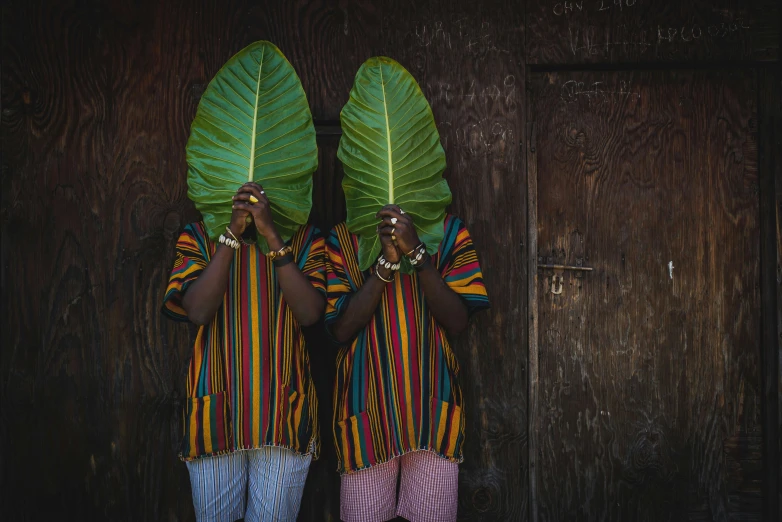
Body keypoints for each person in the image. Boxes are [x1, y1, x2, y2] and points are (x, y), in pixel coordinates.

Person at [161, 182, 325, 522]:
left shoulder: (305, 238)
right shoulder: (198, 236)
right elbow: (198, 311)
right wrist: (231, 233)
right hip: (215, 413)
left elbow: (310, 313)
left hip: (282, 414)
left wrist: (273, 237)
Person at [326, 205, 490, 522]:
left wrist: (417, 254)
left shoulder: (449, 231)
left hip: (431, 414)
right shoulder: (343, 238)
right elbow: (341, 328)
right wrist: (386, 264)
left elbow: (458, 321)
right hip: (366, 413)